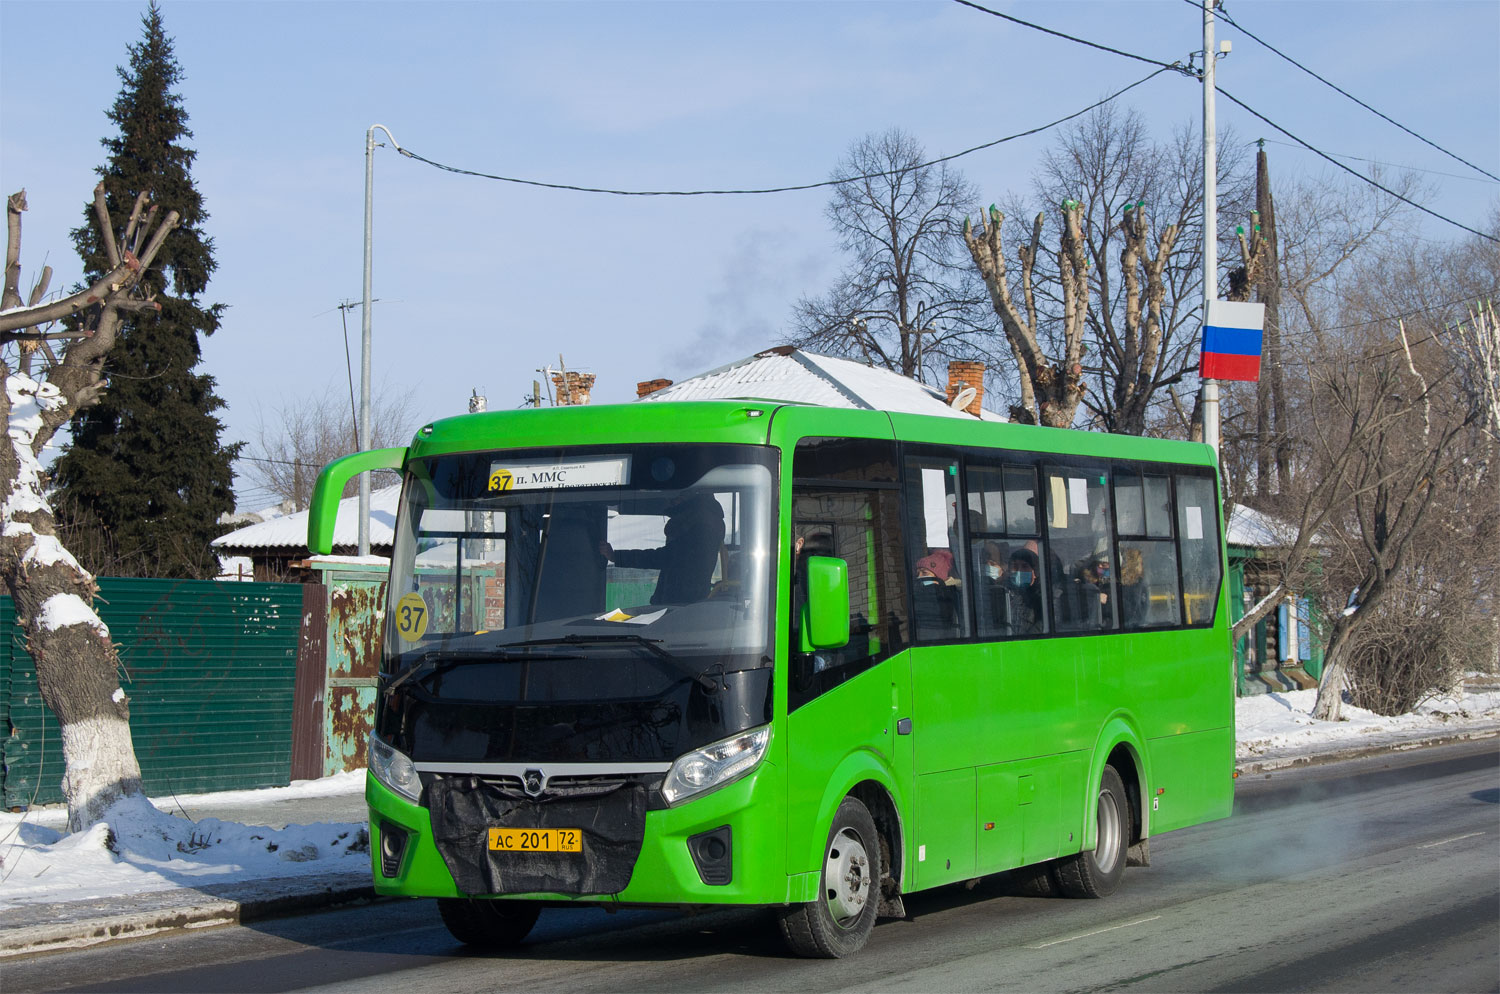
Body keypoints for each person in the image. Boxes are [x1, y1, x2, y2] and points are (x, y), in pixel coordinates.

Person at [600, 493, 725, 605]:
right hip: (682, 602)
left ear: (683, 498)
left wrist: (617, 557)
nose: (670, 503)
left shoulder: (701, 526)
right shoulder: (705, 520)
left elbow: (665, 557)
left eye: (673, 499)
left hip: (681, 604)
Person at [1004, 548, 1043, 634]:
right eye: (1014, 566)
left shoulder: (1042, 598)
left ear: (1035, 572)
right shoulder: (1004, 594)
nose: (1019, 571)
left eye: (1025, 566)